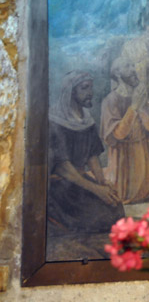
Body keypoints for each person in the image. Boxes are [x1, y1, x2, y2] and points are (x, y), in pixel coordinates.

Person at [48, 71, 124, 235]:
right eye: (84, 88)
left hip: (80, 179)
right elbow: (63, 167)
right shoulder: (54, 120)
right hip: (60, 185)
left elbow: (92, 156)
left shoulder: (86, 120)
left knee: (115, 209)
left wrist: (102, 182)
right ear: (71, 91)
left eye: (91, 87)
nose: (90, 92)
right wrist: (96, 189)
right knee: (96, 219)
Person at [100, 57, 149, 204]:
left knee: (145, 195)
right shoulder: (111, 100)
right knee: (124, 196)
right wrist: (134, 108)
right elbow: (118, 134)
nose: (133, 69)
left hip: (142, 153)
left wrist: (141, 107)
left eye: (133, 65)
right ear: (118, 73)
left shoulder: (140, 96)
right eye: (128, 66)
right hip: (122, 158)